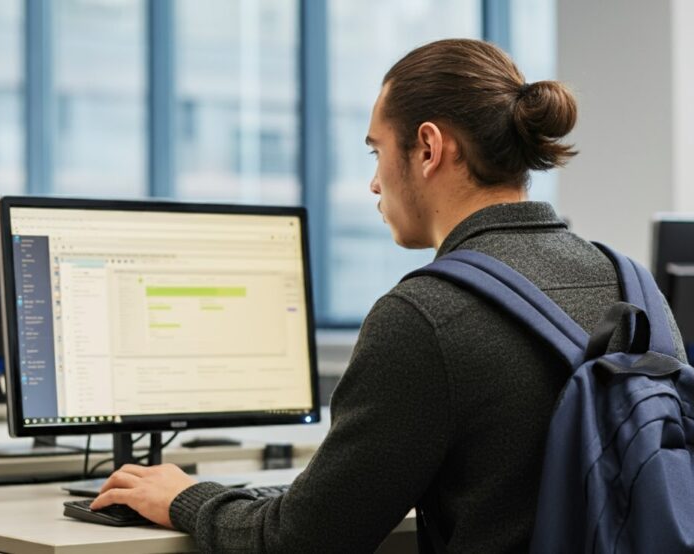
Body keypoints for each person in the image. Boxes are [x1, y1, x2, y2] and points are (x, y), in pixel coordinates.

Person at [90, 38, 685, 553]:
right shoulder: (633, 283)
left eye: (377, 151)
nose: (374, 181)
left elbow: (299, 541)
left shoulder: (425, 317)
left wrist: (186, 497)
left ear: (428, 148)